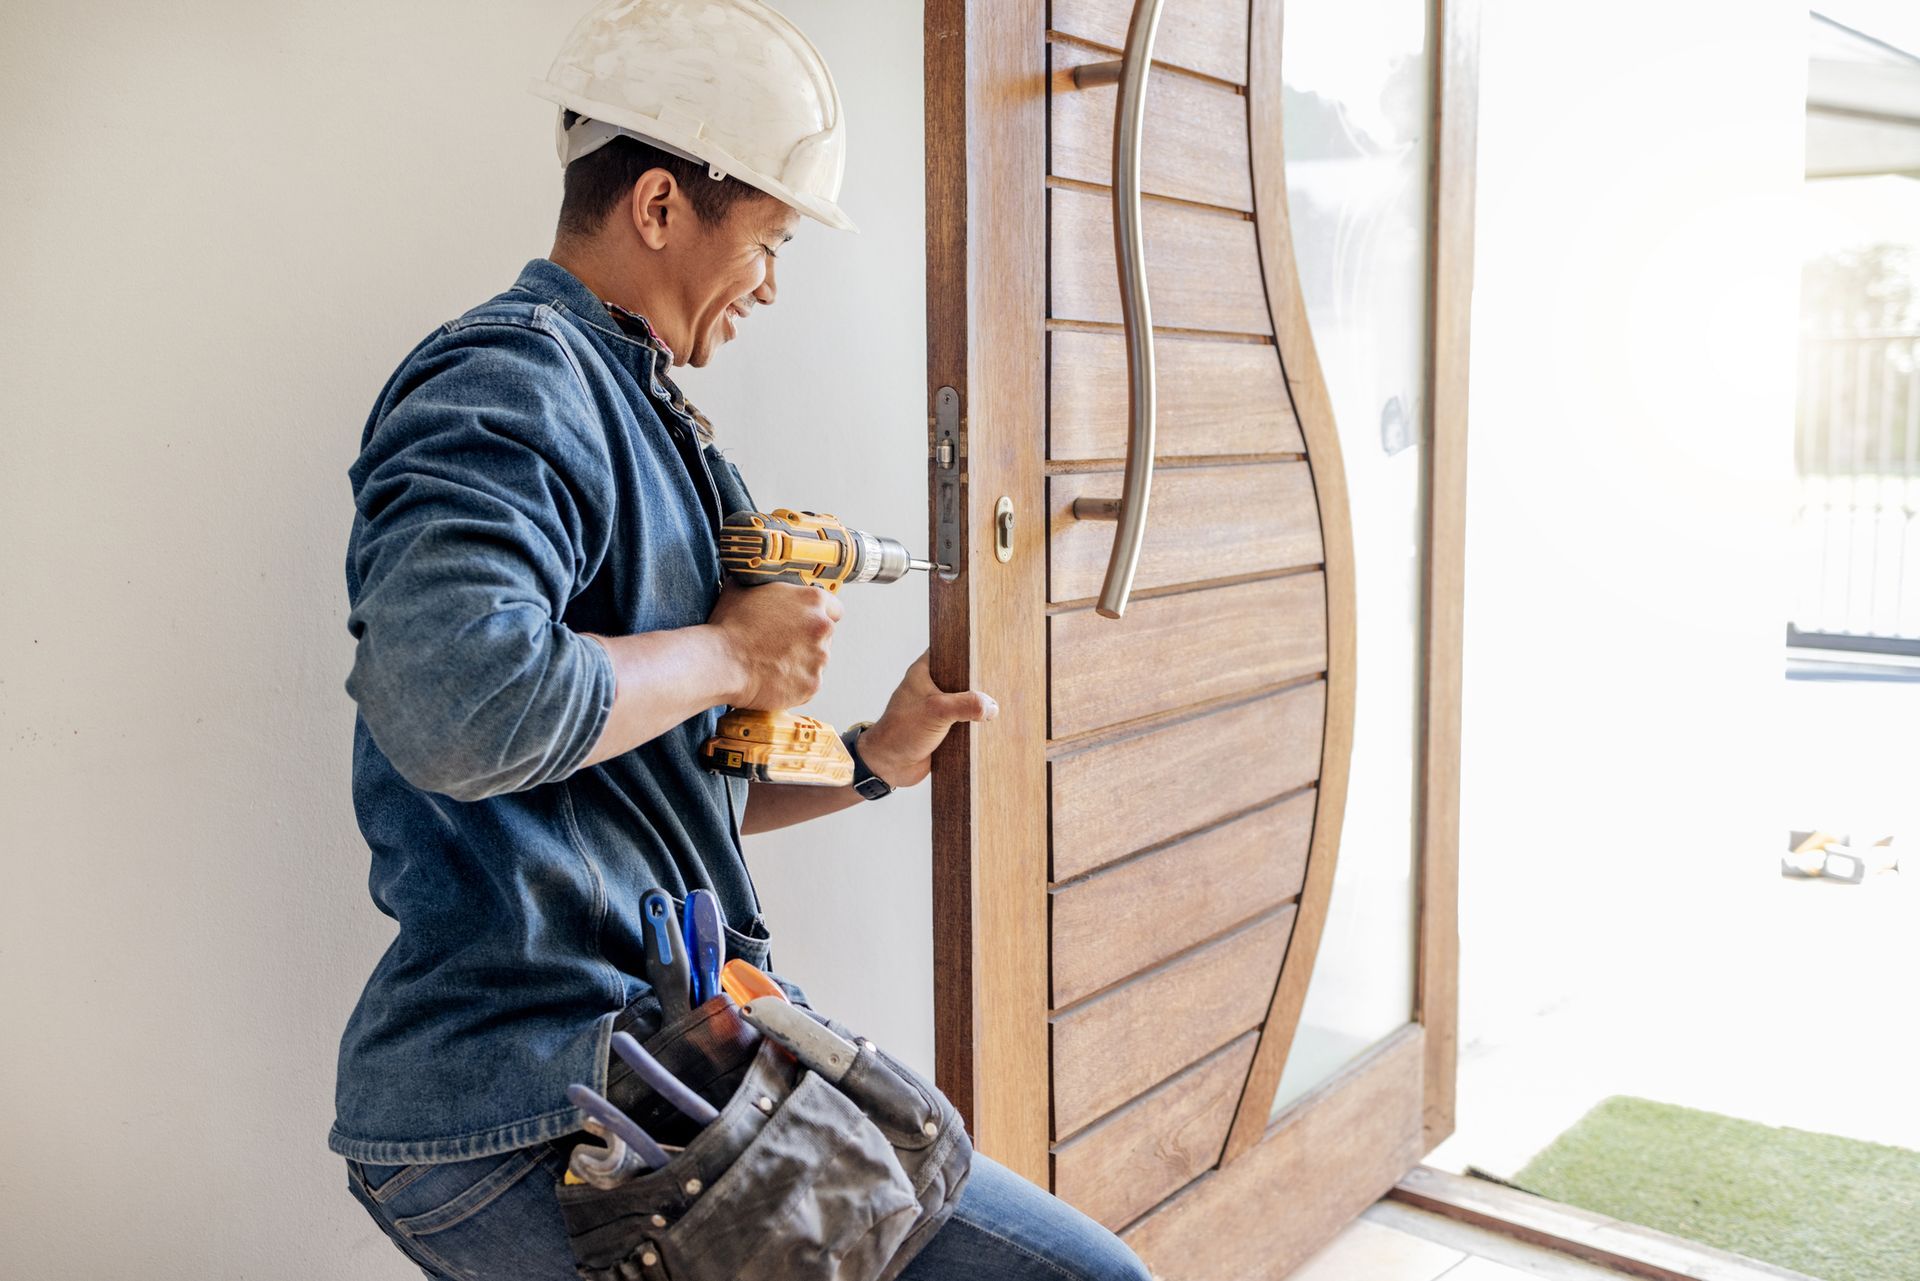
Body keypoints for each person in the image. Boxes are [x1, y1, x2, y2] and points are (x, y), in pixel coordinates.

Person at [333, 2, 1153, 1279]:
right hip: (531, 1096)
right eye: (768, 240)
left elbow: (644, 788)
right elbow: (460, 706)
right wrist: (732, 654)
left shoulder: (644, 411)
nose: (772, 281)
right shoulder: (509, 381)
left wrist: (871, 755)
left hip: (633, 1054)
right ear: (659, 206)